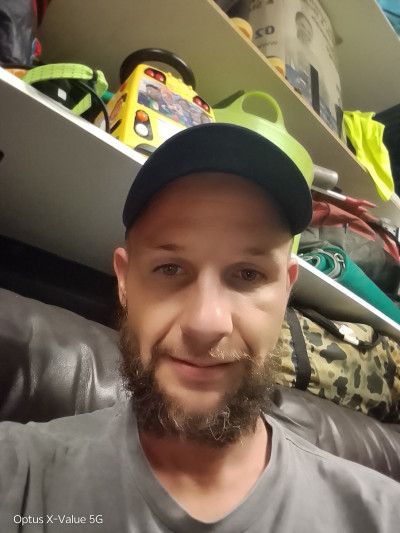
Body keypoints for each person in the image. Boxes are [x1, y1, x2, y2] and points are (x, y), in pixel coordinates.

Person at [0, 123, 399, 532]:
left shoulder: (381, 516)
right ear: (124, 282)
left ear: (286, 291)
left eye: (248, 274)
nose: (206, 323)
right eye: (169, 269)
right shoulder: (21, 475)